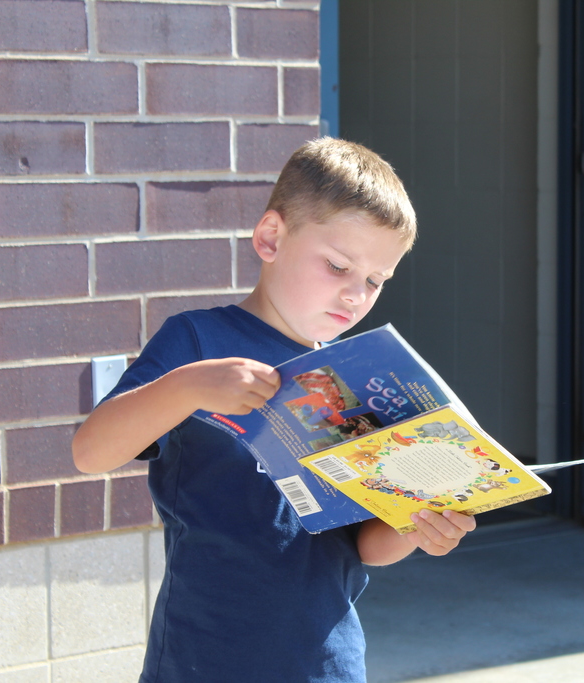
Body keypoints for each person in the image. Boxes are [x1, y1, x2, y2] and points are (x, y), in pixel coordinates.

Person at [72, 137, 477, 683]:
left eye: (375, 281)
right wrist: (187, 387)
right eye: (338, 266)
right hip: (204, 659)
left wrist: (421, 525)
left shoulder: (359, 381)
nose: (356, 295)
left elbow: (364, 549)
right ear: (270, 238)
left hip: (327, 664)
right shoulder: (199, 340)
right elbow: (90, 452)